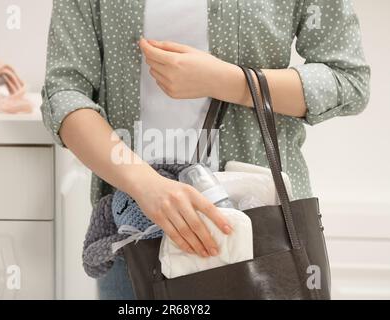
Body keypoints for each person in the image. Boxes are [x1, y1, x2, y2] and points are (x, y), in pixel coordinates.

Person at [41, 0, 370, 299]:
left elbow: (349, 79)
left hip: (260, 234)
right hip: (138, 237)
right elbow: (66, 92)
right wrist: (146, 185)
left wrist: (228, 81)